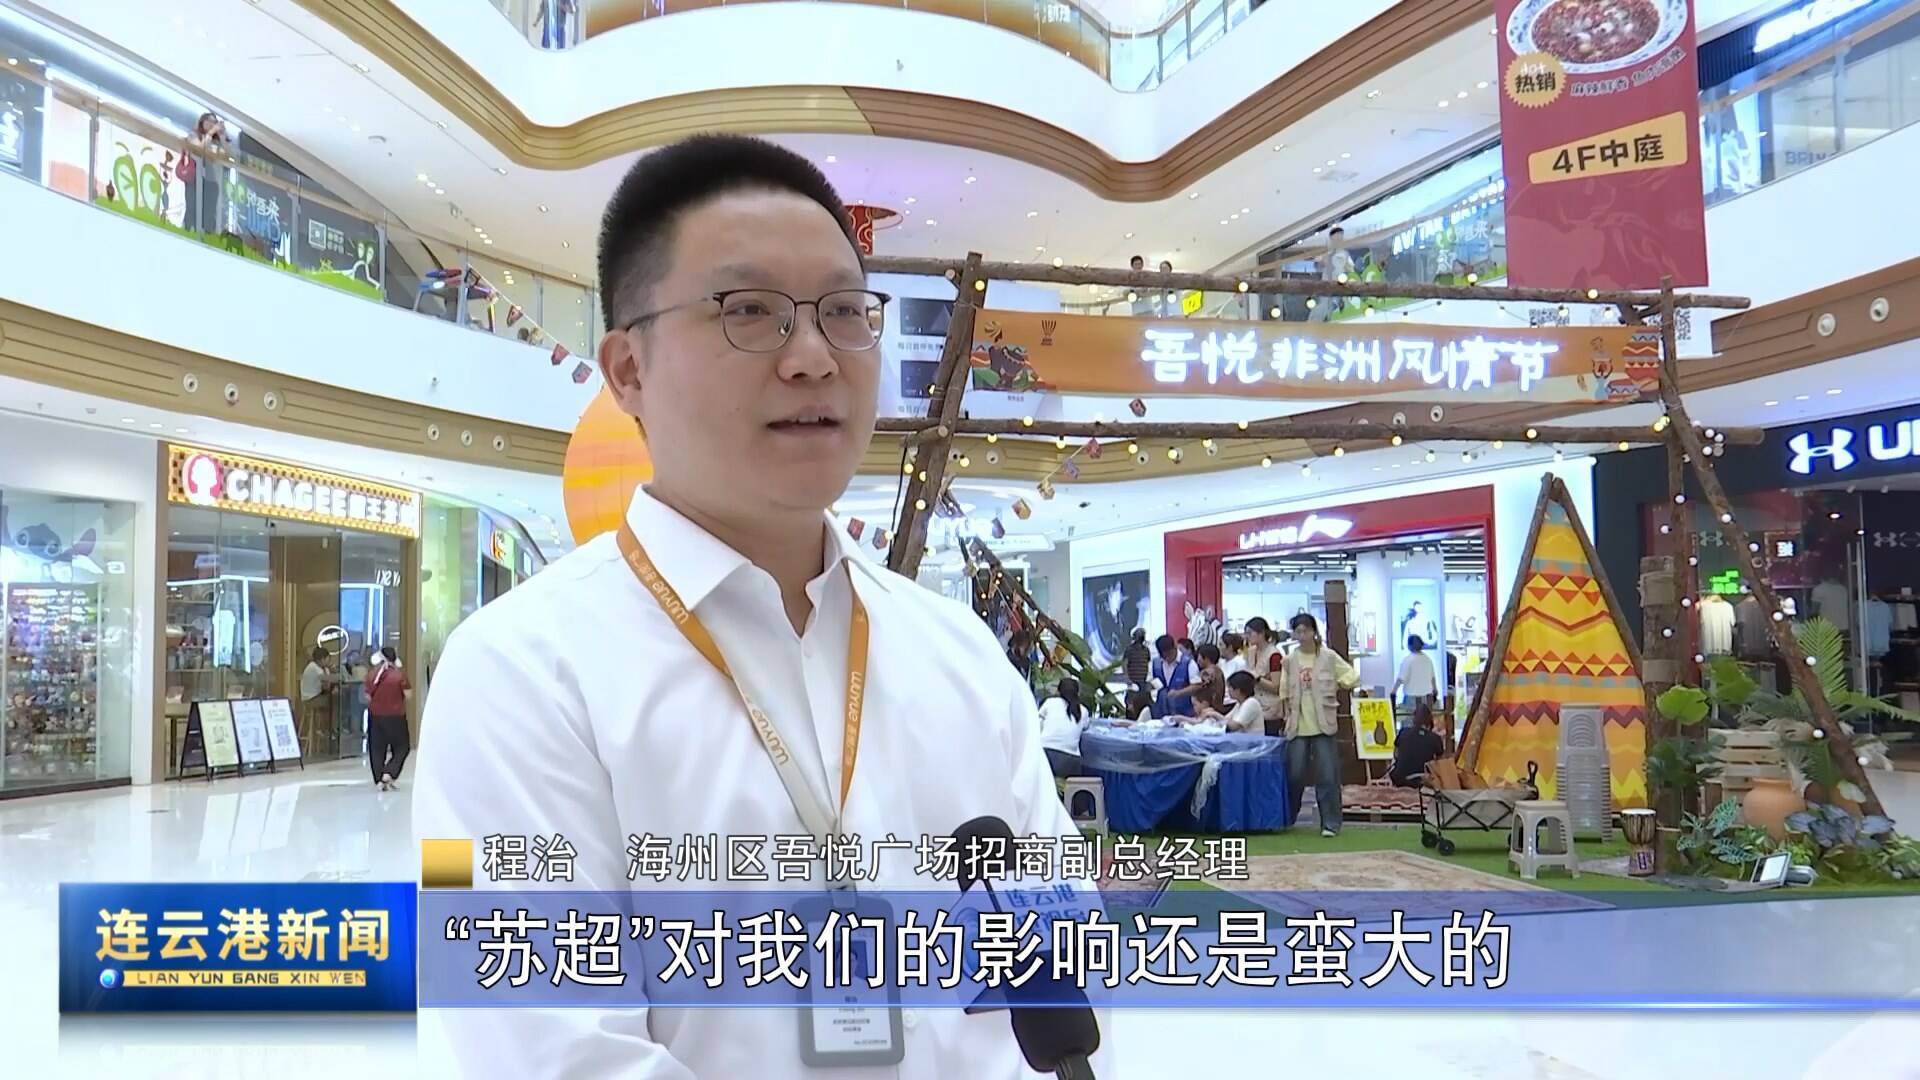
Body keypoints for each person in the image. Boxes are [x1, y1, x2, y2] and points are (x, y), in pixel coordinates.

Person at [411, 134, 1094, 1078]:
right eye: (750, 312)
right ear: (628, 370)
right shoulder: (520, 676)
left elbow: (1063, 966)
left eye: (844, 312)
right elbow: (548, 1049)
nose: (813, 357)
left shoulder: (956, 652)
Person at [1281, 612, 1360, 836]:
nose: (1302, 635)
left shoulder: (1328, 656)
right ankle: (1288, 818)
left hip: (1323, 723)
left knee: (1327, 775)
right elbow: (1284, 691)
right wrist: (1285, 716)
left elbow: (1353, 676)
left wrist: (1337, 684)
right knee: (1295, 774)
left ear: (1314, 632)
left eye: (1305, 630)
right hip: (1297, 725)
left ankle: (1330, 823)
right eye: (1298, 631)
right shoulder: (1289, 660)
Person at [365, 646, 411, 790]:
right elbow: (409, 695)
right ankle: (389, 772)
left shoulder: (372, 674)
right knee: (402, 747)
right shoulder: (399, 675)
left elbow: (367, 697)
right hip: (396, 717)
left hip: (375, 716)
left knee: (377, 748)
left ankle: (379, 779)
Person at [1038, 677, 1090, 777]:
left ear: (1058, 691)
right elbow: (1085, 726)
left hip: (1046, 753)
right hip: (1071, 760)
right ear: (1078, 693)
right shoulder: (1083, 710)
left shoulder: (1050, 703)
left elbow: (1038, 723)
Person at [1390, 702, 1446, 787]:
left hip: (1399, 778)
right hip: (1422, 780)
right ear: (1430, 720)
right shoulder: (1435, 738)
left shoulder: (1403, 732)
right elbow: (1440, 762)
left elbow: (1396, 754)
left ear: (1414, 719)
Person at [1246, 617, 1286, 731]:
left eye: (1250, 633)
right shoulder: (1251, 651)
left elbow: (1276, 687)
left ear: (1261, 633)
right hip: (1254, 704)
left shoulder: (1274, 655)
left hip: (1270, 708)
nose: (1247, 636)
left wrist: (1257, 678)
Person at [1170, 642, 1225, 716]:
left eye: (1199, 656)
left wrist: (1178, 693)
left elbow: (1197, 687)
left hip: (1206, 709)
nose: (1197, 660)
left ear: (1206, 658)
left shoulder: (1206, 673)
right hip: (1216, 708)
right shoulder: (1218, 671)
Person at [1150, 634, 1198, 718]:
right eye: (1164, 656)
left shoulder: (1188, 663)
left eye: (1170, 655)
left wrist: (1179, 693)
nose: (1167, 659)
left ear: (1175, 647)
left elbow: (1197, 686)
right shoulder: (1155, 663)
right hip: (1161, 713)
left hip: (1184, 714)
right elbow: (1150, 680)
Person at [297, 646, 332, 751]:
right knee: (335, 700)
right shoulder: (315, 669)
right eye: (327, 659)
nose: (329, 661)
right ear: (322, 659)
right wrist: (328, 671)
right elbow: (327, 685)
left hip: (309, 698)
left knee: (332, 699)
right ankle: (328, 729)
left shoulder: (313, 666)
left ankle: (323, 728)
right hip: (312, 700)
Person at [1394, 634, 1439, 709]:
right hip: (1427, 698)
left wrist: (1394, 691)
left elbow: (1401, 678)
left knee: (1411, 716)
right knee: (1425, 716)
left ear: (1409, 646)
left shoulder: (1408, 660)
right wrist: (1435, 689)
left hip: (1411, 698)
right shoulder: (1428, 659)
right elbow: (1432, 678)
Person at [1123, 626, 1152, 694]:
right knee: (1132, 697)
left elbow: (1147, 663)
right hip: (1132, 680)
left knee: (1142, 697)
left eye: (1142, 635)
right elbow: (1125, 664)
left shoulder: (1146, 650)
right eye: (1139, 635)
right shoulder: (1129, 649)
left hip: (1143, 680)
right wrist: (1127, 678)